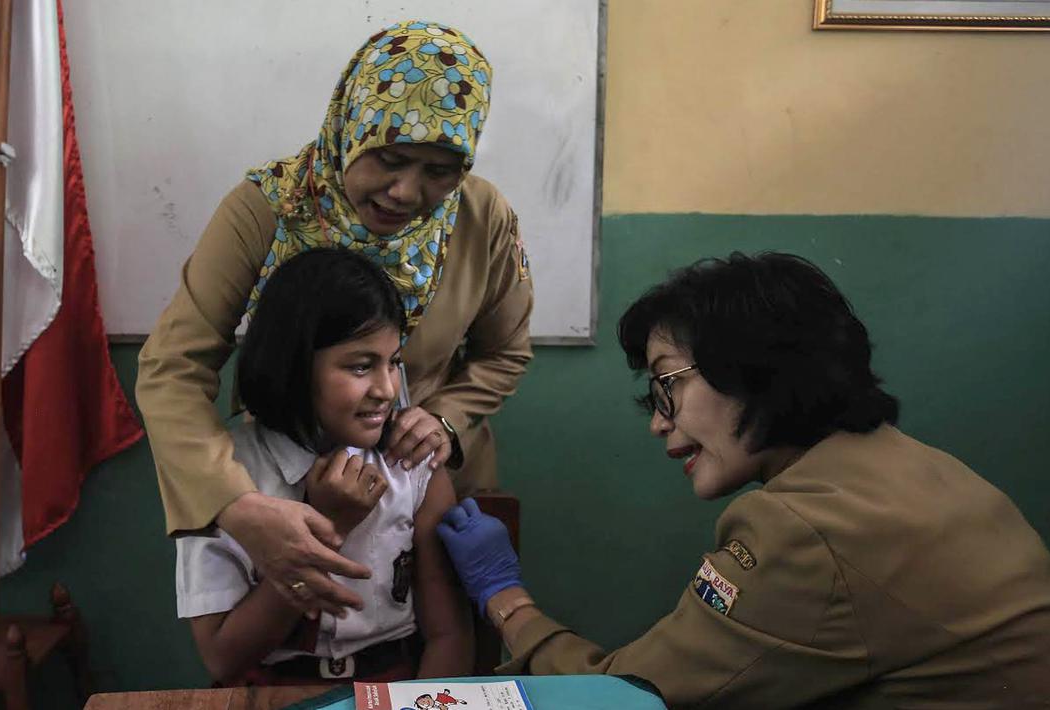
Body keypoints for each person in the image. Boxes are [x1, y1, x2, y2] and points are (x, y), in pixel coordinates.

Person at [437, 252, 1050, 707]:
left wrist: (506, 600)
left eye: (667, 384)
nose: (656, 422)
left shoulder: (803, 530)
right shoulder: (920, 467)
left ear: (755, 369)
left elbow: (629, 698)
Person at [137, 20, 532, 619]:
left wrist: (446, 421)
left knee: (444, 655)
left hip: (432, 484)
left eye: (439, 170)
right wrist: (237, 505)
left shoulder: (481, 216)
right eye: (391, 159)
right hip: (285, 486)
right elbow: (172, 366)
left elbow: (504, 352)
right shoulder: (269, 208)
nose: (406, 191)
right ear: (352, 126)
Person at [176, 248, 472, 684]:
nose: (387, 389)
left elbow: (449, 637)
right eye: (360, 366)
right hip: (270, 690)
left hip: (394, 683)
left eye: (393, 363)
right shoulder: (225, 477)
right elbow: (223, 658)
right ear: (294, 366)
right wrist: (329, 527)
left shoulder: (412, 462)